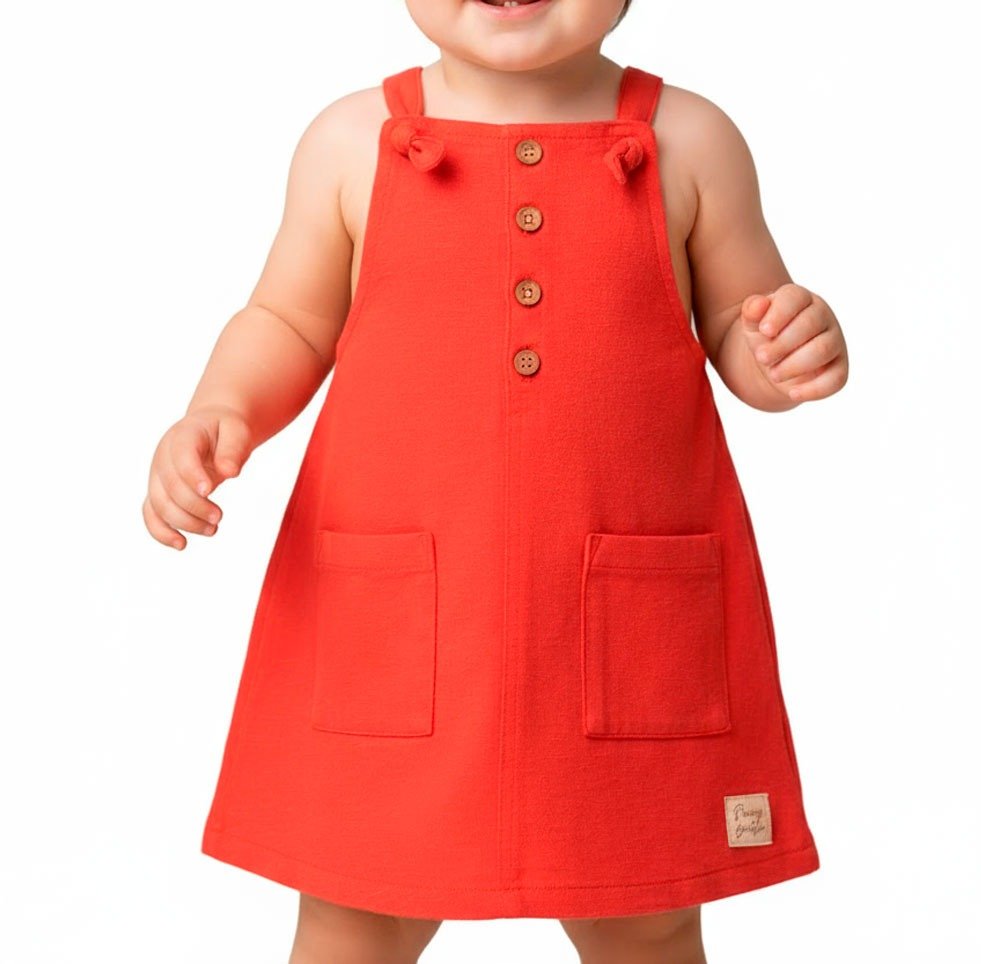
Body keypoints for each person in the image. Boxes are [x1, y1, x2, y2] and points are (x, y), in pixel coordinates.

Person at [142, 1, 848, 961]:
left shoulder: (692, 140)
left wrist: (784, 350)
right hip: (402, 619)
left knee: (646, 908)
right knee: (358, 906)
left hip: (618, 628)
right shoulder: (349, 142)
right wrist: (221, 406)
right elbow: (289, 320)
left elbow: (738, 321)